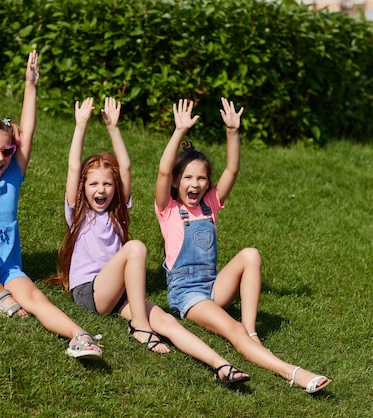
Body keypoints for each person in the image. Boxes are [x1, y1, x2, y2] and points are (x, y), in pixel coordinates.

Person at [48, 96, 249, 384]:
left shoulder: (118, 213)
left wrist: (114, 128)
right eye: (93, 183)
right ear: (83, 187)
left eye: (107, 183)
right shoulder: (78, 212)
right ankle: (140, 327)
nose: (101, 190)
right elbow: (72, 168)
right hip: (90, 292)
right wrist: (80, 125)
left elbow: (126, 168)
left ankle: (221, 366)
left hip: (117, 293)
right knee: (135, 248)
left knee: (166, 321)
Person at [154, 97, 331, 394]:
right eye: (187, 178)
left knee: (251, 254)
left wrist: (232, 132)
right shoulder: (168, 209)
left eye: (201, 178)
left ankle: (251, 331)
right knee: (231, 330)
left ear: (208, 183)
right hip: (187, 294)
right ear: (175, 182)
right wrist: (179, 131)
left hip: (212, 286)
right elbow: (161, 172)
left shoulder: (210, 204)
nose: (194, 184)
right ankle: (293, 373)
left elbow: (232, 170)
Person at [0, 47, 102, 361]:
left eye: (7, 151)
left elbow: (27, 132)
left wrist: (31, 85)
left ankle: (80, 337)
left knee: (37, 299)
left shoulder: (13, 175)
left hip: (8, 268)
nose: (0, 158)